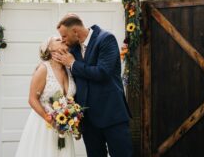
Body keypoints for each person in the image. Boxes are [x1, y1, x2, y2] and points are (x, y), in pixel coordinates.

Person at [52, 14, 133, 157]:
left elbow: (103, 73)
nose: (63, 40)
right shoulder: (73, 49)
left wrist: (73, 64)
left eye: (64, 36)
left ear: (75, 32)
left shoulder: (106, 39)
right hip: (89, 121)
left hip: (112, 115)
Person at [15, 37, 76, 157]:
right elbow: (32, 99)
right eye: (58, 39)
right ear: (49, 48)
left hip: (64, 128)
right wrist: (51, 121)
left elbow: (71, 100)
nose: (63, 40)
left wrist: (74, 122)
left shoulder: (69, 69)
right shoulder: (43, 69)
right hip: (44, 125)